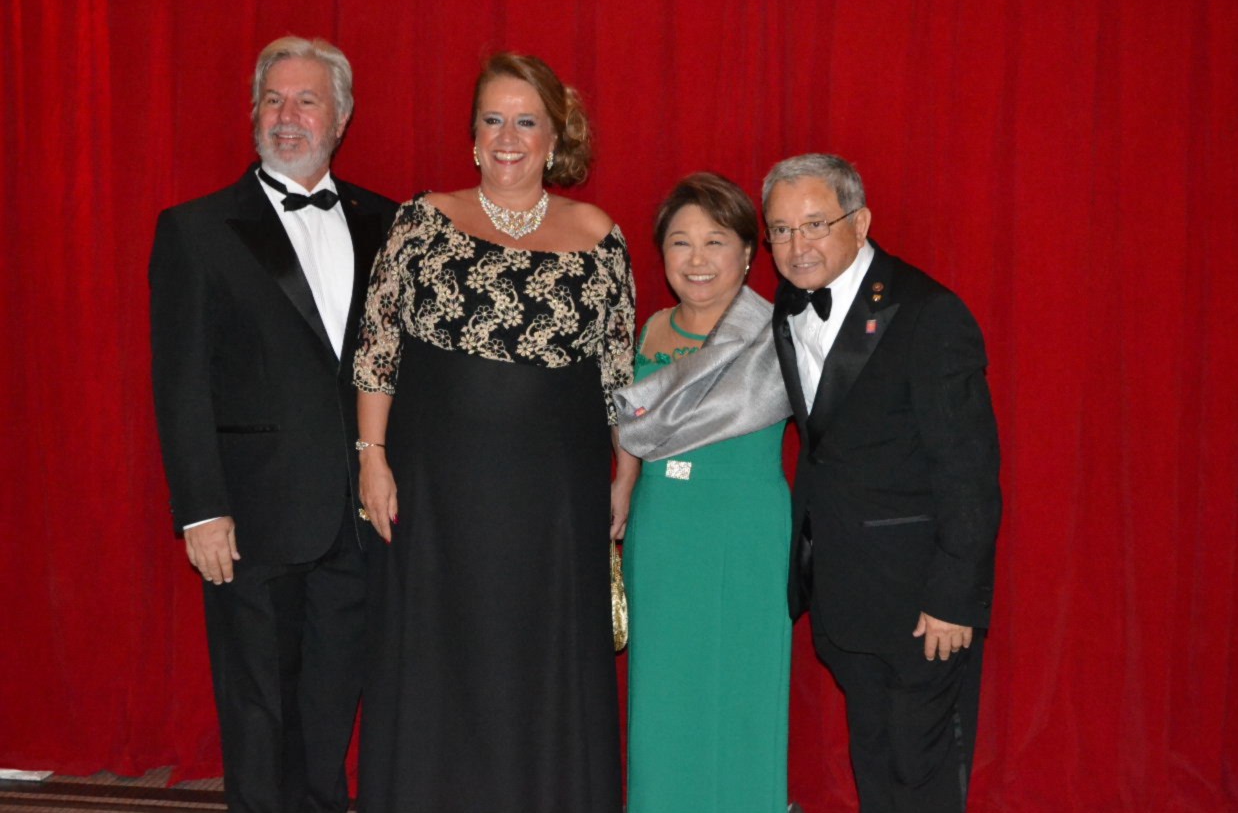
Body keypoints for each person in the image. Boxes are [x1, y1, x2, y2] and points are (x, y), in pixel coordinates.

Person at [352, 52, 634, 812]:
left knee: (541, 657)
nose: (508, 137)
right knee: (438, 654)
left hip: (556, 499)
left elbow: (619, 377)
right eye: (493, 120)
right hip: (438, 493)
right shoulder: (421, 221)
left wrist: (627, 476)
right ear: (473, 136)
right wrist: (372, 458)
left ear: (554, 138)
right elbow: (377, 352)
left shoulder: (600, 236)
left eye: (526, 121)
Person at [149, 36, 397, 813]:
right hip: (250, 521)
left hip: (359, 518)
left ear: (341, 118)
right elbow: (180, 383)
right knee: (258, 715)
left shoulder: (391, 224)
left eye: (307, 100)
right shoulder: (196, 229)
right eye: (273, 100)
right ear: (254, 113)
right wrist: (200, 509)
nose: (287, 116)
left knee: (330, 710)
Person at [765, 153, 1001, 813]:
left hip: (922, 599)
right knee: (873, 755)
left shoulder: (929, 314)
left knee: (921, 771)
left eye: (815, 224)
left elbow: (970, 470)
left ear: (860, 221)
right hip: (843, 587)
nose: (797, 245)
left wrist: (953, 598)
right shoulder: (787, 306)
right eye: (780, 230)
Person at [611, 173, 793, 812]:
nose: (696, 259)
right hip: (664, 530)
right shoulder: (648, 330)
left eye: (715, 241)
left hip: (748, 530)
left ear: (748, 251)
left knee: (744, 691)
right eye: (680, 242)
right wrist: (623, 485)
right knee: (665, 692)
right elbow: (629, 429)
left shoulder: (777, 335)